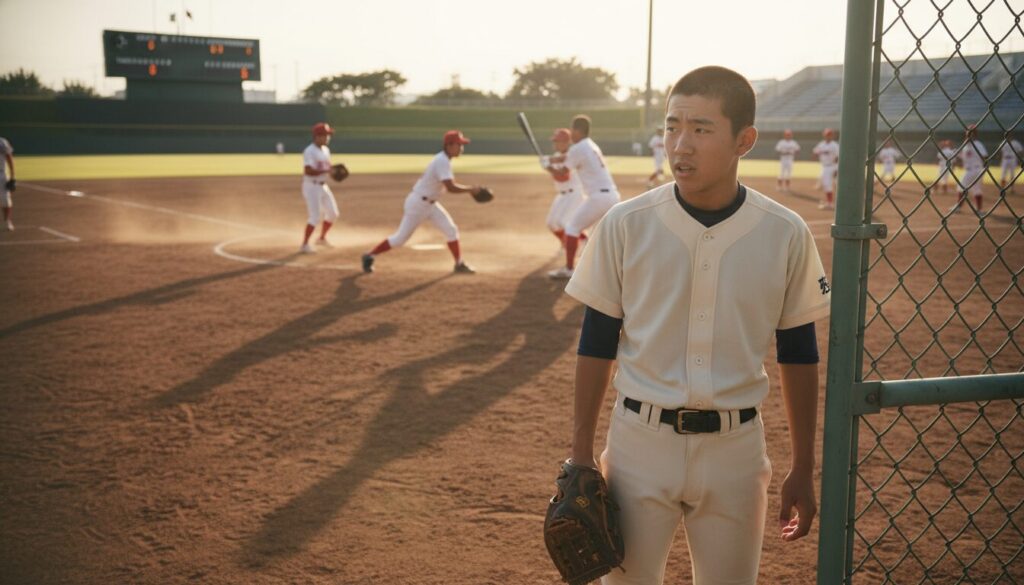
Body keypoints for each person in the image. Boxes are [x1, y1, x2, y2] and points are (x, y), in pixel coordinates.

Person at [562, 65, 830, 585]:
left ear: (744, 140)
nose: (680, 144)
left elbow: (798, 351)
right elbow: (595, 343)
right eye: (671, 126)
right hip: (639, 444)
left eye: (701, 129)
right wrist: (579, 454)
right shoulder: (625, 223)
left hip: (736, 450)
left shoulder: (785, 232)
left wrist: (802, 464)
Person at [361, 130, 482, 274]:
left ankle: (459, 263)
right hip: (418, 205)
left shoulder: (444, 160)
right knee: (399, 239)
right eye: (459, 144)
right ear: (449, 145)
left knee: (451, 230)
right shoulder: (442, 161)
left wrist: (471, 190)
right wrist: (471, 190)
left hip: (431, 204)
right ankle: (369, 255)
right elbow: (450, 187)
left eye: (462, 145)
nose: (462, 148)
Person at [544, 115, 621, 279]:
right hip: (611, 196)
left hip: (598, 197)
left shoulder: (577, 148)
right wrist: (551, 159)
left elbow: (562, 172)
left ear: (577, 130)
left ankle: (569, 269)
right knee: (598, 237)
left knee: (572, 228)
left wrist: (547, 167)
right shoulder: (589, 145)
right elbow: (567, 157)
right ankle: (607, 272)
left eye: (572, 130)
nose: (571, 134)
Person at [299, 122, 342, 253]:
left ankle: (322, 238)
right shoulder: (309, 151)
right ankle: (304, 245)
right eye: (325, 135)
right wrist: (327, 171)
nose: (328, 137)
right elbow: (308, 171)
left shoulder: (326, 150)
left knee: (333, 213)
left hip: (323, 186)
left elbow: (327, 168)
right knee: (315, 217)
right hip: (311, 187)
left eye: (328, 135)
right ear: (317, 136)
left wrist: (333, 171)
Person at [543, 128, 585, 251]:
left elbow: (563, 177)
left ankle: (582, 241)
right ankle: (566, 243)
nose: (554, 144)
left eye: (557, 141)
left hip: (574, 194)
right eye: (554, 141)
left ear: (566, 142)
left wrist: (548, 167)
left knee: (563, 222)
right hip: (562, 195)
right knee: (551, 223)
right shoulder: (556, 156)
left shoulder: (572, 155)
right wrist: (548, 163)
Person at [950, 125, 988, 214]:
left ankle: (959, 207)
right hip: (971, 169)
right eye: (967, 132)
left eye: (970, 132)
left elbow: (985, 156)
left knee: (961, 186)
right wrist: (956, 154)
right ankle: (979, 210)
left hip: (976, 169)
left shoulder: (978, 144)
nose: (967, 134)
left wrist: (983, 166)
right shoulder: (966, 144)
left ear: (974, 134)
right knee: (976, 189)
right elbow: (964, 157)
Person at [812, 128, 839, 209]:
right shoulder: (821, 144)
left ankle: (830, 203)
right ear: (824, 135)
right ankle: (829, 202)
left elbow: (838, 157)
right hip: (825, 166)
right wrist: (817, 154)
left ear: (832, 136)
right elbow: (815, 153)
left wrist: (836, 169)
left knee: (828, 185)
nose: (828, 136)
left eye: (830, 135)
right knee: (827, 184)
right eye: (827, 135)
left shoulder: (834, 145)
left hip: (832, 166)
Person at [1, 137, 14, 231]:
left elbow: (9, 157)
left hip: (1, 174)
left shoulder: (2, 142)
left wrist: (13, 175)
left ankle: (7, 221)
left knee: (5, 199)